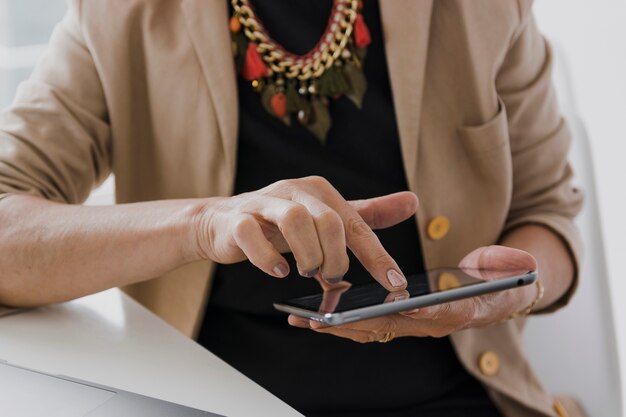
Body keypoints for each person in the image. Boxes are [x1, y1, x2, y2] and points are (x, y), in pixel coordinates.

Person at [0, 0, 584, 416]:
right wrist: (204, 225)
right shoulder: (115, 12)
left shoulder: (489, 8)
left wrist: (515, 288)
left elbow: (549, 213)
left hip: (453, 394)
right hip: (210, 396)